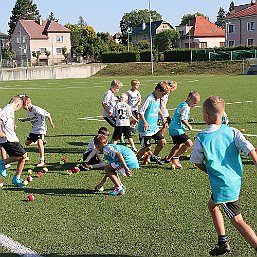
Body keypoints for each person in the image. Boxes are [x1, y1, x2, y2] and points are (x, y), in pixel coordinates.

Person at [190, 96, 257, 256]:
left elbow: (196, 162)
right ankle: (222, 242)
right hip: (234, 180)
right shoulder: (233, 132)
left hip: (223, 185)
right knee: (212, 205)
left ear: (206, 116)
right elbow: (250, 149)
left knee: (237, 219)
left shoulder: (202, 137)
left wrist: (210, 171)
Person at [136, 81, 170, 165]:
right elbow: (141, 111)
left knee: (162, 142)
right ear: (157, 90)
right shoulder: (149, 98)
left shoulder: (158, 98)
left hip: (154, 128)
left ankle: (154, 156)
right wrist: (145, 123)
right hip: (145, 129)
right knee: (147, 148)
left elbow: (157, 108)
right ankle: (133, 162)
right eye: (163, 94)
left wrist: (162, 115)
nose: (163, 96)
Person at [165, 91, 200, 169]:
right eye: (194, 103)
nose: (194, 105)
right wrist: (188, 125)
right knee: (189, 144)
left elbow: (180, 116)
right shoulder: (185, 107)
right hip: (177, 129)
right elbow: (182, 119)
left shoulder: (183, 104)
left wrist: (189, 119)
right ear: (189, 99)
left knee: (178, 145)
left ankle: (168, 158)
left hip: (173, 128)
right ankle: (176, 158)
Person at [18, 95, 55, 167]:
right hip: (34, 129)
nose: (22, 108)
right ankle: (41, 142)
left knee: (39, 142)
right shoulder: (29, 110)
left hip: (41, 128)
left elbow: (48, 114)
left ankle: (42, 160)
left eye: (22, 106)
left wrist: (51, 124)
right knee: (27, 143)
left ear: (25, 104)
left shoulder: (37, 109)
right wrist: (24, 120)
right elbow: (32, 118)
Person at [0, 95, 28, 188]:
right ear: (18, 104)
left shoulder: (8, 109)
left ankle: (16, 178)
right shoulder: (8, 109)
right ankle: (2, 163)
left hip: (11, 138)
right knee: (23, 155)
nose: (18, 109)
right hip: (8, 139)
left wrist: (12, 125)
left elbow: (4, 119)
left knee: (23, 157)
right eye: (19, 107)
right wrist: (0, 132)